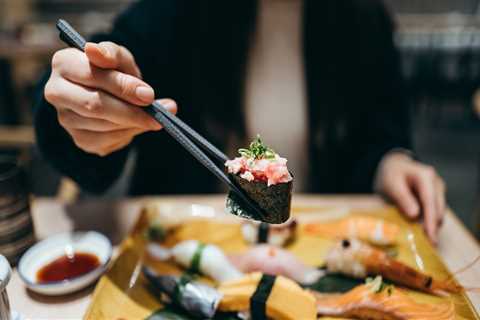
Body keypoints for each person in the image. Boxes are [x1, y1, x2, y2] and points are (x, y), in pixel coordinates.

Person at [34, 0, 446, 243]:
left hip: (315, 244)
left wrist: (392, 161)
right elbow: (84, 120)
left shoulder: (364, 20)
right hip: (188, 243)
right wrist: (84, 117)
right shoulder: (172, 15)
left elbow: (381, 132)